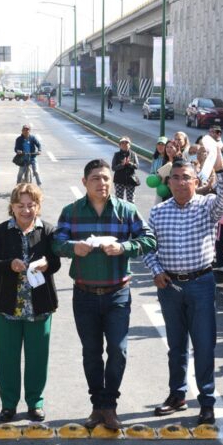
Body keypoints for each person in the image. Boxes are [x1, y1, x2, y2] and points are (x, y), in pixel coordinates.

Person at [52, 159, 156, 430]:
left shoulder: (127, 210)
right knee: (91, 352)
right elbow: (56, 243)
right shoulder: (72, 211)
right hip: (84, 294)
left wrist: (124, 248)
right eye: (96, 178)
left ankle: (110, 405)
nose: (102, 183)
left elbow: (148, 239)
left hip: (117, 294)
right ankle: (97, 405)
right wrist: (74, 247)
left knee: (119, 351)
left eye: (106, 178)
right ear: (84, 182)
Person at [143, 153, 223, 425]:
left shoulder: (207, 206)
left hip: (201, 284)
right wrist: (156, 271)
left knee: (204, 345)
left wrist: (221, 167)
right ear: (168, 182)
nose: (181, 183)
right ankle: (177, 395)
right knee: (176, 345)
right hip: (170, 286)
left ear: (196, 181)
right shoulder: (158, 211)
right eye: (176, 178)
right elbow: (148, 247)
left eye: (187, 178)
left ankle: (206, 401)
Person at [0, 183, 61, 422]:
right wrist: (10, 264)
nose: (26, 210)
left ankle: (35, 402)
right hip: (8, 306)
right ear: (12, 207)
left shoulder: (48, 230)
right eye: (21, 206)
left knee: (38, 358)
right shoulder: (1, 230)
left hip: (40, 306)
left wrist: (47, 264)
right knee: (7, 358)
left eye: (31, 205)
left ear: (38, 206)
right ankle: (8, 405)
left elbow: (57, 263)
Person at [111, 137, 140, 203]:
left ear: (129, 145)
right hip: (119, 180)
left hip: (130, 180)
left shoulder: (133, 154)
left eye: (126, 143)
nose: (124, 144)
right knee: (118, 200)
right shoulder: (116, 155)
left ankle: (130, 213)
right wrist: (122, 165)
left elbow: (137, 166)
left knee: (131, 200)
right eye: (122, 143)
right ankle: (119, 212)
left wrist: (129, 163)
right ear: (119, 145)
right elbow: (113, 168)